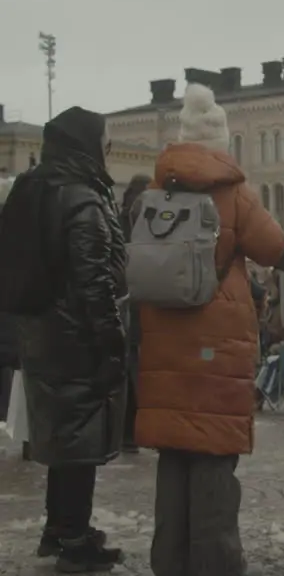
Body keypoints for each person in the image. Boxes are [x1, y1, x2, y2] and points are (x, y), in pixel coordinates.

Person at [132, 84, 284, 576]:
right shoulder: (234, 194)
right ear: (221, 144)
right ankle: (215, 565)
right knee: (215, 452)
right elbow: (275, 247)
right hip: (215, 342)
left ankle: (170, 564)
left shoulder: (156, 192)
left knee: (175, 450)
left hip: (163, 338)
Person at [8, 107, 128, 573]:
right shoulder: (81, 196)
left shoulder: (35, 186)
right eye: (106, 141)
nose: (109, 150)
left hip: (39, 331)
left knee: (64, 436)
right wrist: (111, 342)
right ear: (87, 144)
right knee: (81, 440)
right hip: (75, 336)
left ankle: (59, 528)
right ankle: (75, 540)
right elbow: (94, 280)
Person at [119, 173, 152, 453]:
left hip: (122, 302)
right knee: (137, 369)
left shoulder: (119, 218)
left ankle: (127, 431)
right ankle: (134, 430)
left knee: (127, 366)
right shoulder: (147, 216)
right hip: (139, 303)